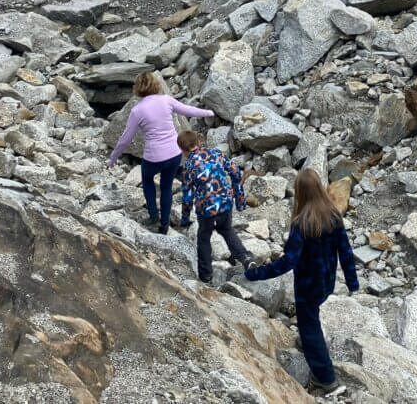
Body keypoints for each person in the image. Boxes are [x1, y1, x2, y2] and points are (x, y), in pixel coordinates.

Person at [245, 168, 359, 394]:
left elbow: (288, 262)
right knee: (312, 319)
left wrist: (256, 273)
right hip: (326, 281)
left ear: (300, 192)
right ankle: (310, 347)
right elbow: (346, 252)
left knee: (309, 327)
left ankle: (326, 379)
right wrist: (352, 283)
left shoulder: (301, 224)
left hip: (307, 287)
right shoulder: (334, 216)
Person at [107, 73, 213, 234]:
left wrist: (113, 158)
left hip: (153, 157)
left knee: (147, 180)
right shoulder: (166, 100)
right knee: (166, 187)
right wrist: (208, 112)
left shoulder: (137, 110)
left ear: (137, 88)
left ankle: (153, 216)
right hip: (174, 153)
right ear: (156, 85)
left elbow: (125, 139)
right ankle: (164, 225)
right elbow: (188, 110)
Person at [177, 130, 252, 284]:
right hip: (225, 203)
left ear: (182, 150)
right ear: (198, 142)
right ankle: (245, 257)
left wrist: (184, 219)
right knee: (227, 230)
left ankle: (206, 276)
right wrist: (239, 199)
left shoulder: (189, 167)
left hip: (206, 210)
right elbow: (235, 171)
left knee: (204, 237)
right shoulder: (216, 153)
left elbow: (187, 197)